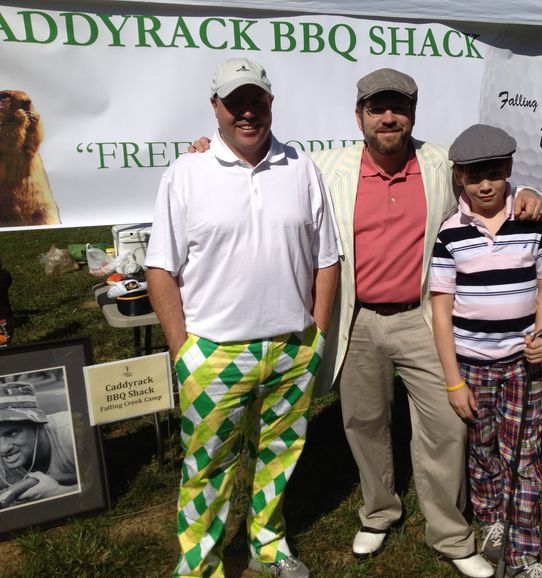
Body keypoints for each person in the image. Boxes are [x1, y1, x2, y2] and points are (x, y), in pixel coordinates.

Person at [189, 68, 542, 578]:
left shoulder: (441, 163)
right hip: (356, 319)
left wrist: (528, 191)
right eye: (376, 108)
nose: (387, 117)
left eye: (397, 107)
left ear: (412, 114)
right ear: (359, 116)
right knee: (363, 421)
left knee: (446, 425)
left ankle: (448, 531)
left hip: (422, 317)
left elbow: (488, 179)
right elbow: (259, 168)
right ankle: (379, 512)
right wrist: (207, 152)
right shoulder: (326, 167)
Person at [145, 58, 339, 578]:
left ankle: (268, 548)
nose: (246, 113)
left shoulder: (301, 168)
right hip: (214, 352)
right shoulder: (187, 172)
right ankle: (199, 566)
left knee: (280, 459)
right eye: (235, 103)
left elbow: (326, 258)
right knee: (205, 471)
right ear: (216, 107)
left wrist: (317, 331)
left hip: (292, 350)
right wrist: (182, 350)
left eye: (256, 101)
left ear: (271, 104)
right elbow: (160, 267)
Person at [429, 124, 542, 578]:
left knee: (522, 455)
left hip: (523, 365)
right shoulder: (449, 234)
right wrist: (453, 380)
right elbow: (441, 309)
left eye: (494, 174)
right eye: (474, 176)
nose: (485, 185)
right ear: (459, 178)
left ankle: (524, 552)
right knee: (482, 449)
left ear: (508, 170)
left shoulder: (532, 223)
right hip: (471, 366)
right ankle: (490, 522)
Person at [0, 381, 77, 506]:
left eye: (12, 433)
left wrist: (60, 493)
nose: (3, 448)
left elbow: (104, 484)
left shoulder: (72, 433)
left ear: (38, 424)